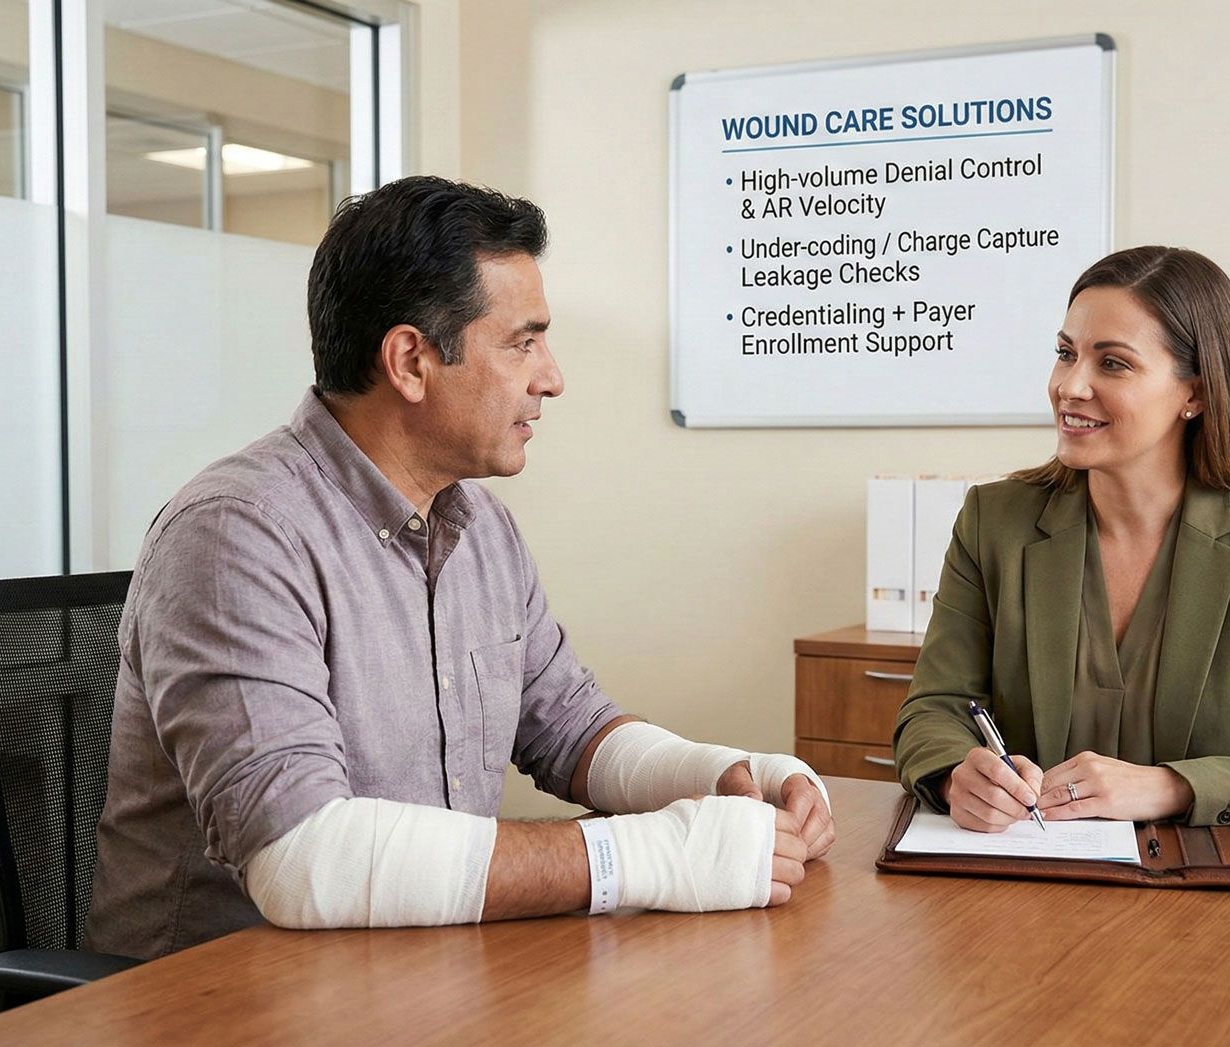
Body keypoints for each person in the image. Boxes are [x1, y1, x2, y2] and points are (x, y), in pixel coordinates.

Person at [87, 176, 834, 960]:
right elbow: (304, 857)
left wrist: (728, 778)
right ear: (411, 361)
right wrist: (652, 856)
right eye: (522, 342)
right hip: (218, 994)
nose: (551, 377)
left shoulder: (479, 526)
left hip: (416, 971)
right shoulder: (235, 536)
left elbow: (570, 728)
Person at [893, 246, 1230, 833]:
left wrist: (1171, 786)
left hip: (1207, 877)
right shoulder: (995, 520)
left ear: (1195, 393)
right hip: (1030, 867)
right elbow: (934, 709)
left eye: (1112, 363)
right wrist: (954, 775)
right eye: (1066, 354)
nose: (1070, 385)